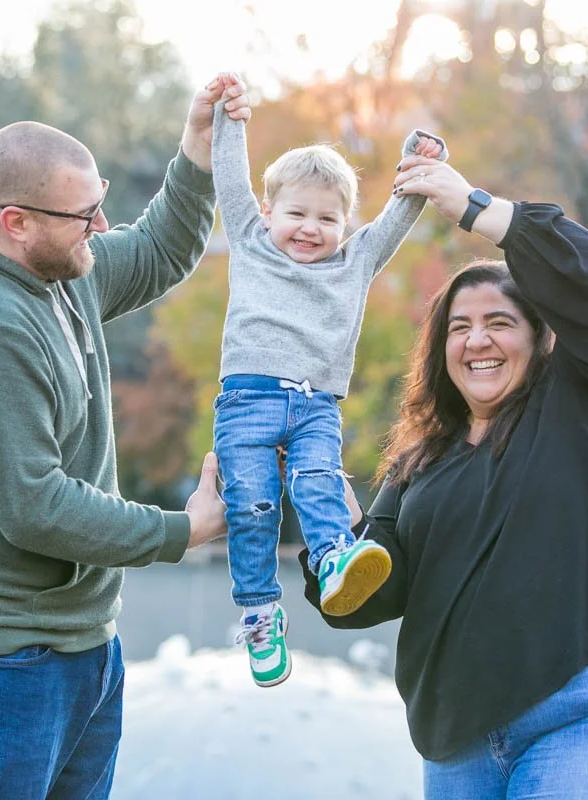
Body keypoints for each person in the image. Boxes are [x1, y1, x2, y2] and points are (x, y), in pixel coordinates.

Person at [0, 73, 250, 799]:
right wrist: (181, 530)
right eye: (83, 214)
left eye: (100, 203)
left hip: (79, 644)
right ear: (17, 220)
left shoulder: (63, 269)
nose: (101, 226)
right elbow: (35, 505)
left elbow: (154, 252)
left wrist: (196, 156)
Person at [300, 153, 588, 798]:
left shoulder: (587, 401)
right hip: (459, 744)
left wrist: (477, 210)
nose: (477, 340)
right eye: (460, 327)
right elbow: (367, 600)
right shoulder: (419, 461)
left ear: (542, 341)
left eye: (499, 323)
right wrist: (329, 530)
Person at [209, 95, 446, 687]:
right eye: (297, 214)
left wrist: (417, 163)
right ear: (268, 213)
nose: (311, 229)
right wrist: (228, 116)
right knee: (251, 506)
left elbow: (398, 214)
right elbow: (229, 178)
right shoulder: (250, 238)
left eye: (327, 219)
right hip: (246, 402)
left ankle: (334, 555)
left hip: (317, 405)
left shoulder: (356, 260)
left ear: (346, 224)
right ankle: (261, 613)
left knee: (319, 483)